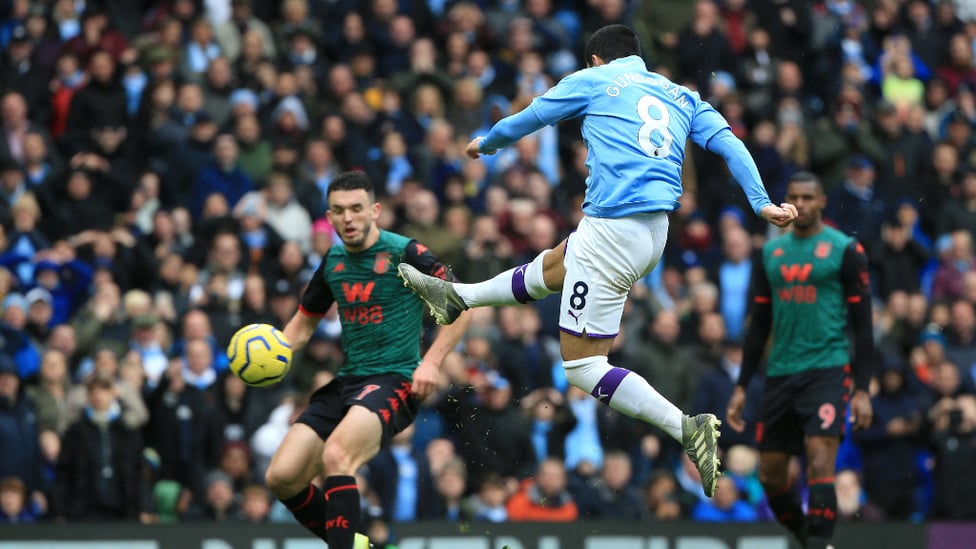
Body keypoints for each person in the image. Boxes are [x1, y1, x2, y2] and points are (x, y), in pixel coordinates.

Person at [397, 24, 796, 497]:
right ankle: (458, 297)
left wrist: (487, 143)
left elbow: (532, 116)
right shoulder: (681, 95)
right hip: (654, 233)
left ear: (595, 60)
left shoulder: (594, 81)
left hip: (614, 229)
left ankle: (687, 428)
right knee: (555, 267)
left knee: (583, 368)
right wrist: (761, 202)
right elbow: (729, 142)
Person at [263, 171, 470, 549]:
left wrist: (432, 362)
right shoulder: (333, 261)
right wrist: (267, 352)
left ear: (375, 210)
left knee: (338, 455)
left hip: (397, 378)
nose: (349, 218)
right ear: (329, 217)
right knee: (282, 476)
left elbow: (461, 307)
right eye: (339, 211)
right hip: (348, 381)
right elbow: (300, 328)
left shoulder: (406, 254)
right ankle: (357, 544)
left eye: (357, 208)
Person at [726, 171, 875, 549]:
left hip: (827, 368)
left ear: (822, 201)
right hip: (780, 371)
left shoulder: (844, 250)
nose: (801, 204)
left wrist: (861, 388)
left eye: (809, 197)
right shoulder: (769, 253)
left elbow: (863, 324)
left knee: (820, 460)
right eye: (794, 196)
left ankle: (821, 544)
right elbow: (759, 323)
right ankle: (806, 539)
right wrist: (742, 386)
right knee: (772, 475)